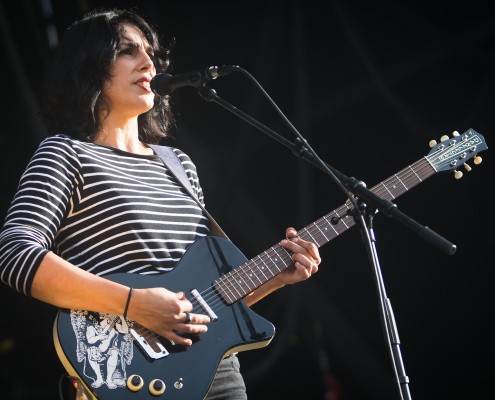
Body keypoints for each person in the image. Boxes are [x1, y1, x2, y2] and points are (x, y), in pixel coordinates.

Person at [0, 7, 321, 400]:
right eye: (127, 50)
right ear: (87, 67)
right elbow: (16, 255)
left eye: (150, 52)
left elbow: (204, 300)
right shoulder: (65, 153)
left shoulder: (178, 164)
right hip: (120, 373)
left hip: (215, 374)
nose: (148, 62)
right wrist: (134, 303)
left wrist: (275, 277)